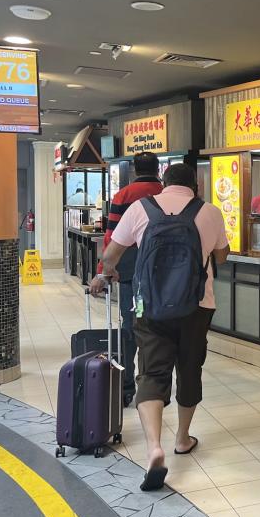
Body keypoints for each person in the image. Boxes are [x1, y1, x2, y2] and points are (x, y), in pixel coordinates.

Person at [90, 163, 229, 491]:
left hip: (149, 307)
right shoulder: (209, 212)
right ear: (194, 184)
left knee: (151, 373)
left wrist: (109, 271)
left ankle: (154, 448)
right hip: (197, 306)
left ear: (163, 184)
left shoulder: (141, 208)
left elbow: (111, 254)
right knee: (189, 368)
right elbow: (221, 257)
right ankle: (182, 439)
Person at [97, 152, 163, 406]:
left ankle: (125, 386)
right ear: (158, 169)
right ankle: (153, 382)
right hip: (160, 271)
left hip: (129, 270)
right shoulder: (165, 193)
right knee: (155, 325)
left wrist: (105, 269)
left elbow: (112, 236)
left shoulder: (123, 196)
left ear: (135, 169)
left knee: (129, 324)